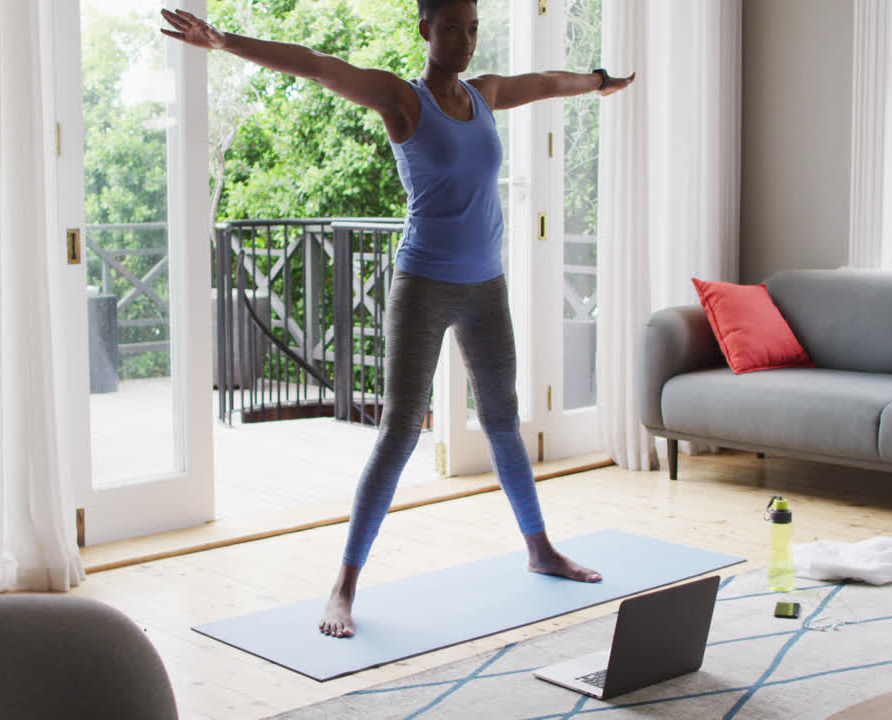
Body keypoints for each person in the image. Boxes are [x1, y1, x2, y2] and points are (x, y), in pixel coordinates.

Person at [162, 0, 635, 638]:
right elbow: (316, 65)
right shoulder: (401, 100)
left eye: (472, 29)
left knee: (502, 421)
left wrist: (600, 83)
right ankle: (343, 586)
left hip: (485, 286)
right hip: (423, 285)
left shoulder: (486, 94)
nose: (466, 42)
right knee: (399, 433)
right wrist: (222, 42)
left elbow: (550, 82)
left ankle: (540, 548)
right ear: (425, 31)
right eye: (452, 29)